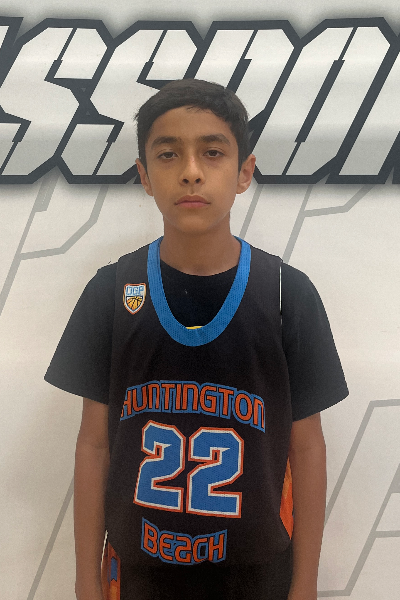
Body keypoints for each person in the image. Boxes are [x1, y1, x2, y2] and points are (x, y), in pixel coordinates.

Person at [45, 79, 349, 600]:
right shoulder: (111, 292)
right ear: (144, 175)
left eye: (212, 152)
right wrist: (85, 581)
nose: (190, 171)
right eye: (168, 154)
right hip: (140, 573)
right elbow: (94, 445)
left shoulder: (287, 294)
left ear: (244, 172)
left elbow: (307, 447)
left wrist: (305, 584)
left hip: (257, 575)